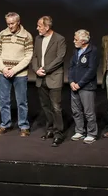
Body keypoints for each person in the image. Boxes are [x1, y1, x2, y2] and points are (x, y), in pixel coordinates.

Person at [0, 12, 34, 137]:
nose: (10, 26)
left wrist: (14, 70)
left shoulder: (26, 36)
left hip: (20, 74)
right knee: (3, 100)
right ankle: (5, 124)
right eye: (8, 24)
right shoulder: (2, 34)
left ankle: (24, 126)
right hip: (3, 72)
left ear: (18, 22)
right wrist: (4, 68)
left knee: (21, 101)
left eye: (12, 23)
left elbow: (28, 56)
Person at [32, 16, 67, 146]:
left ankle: (59, 133)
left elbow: (60, 58)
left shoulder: (59, 39)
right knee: (45, 106)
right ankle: (50, 129)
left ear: (47, 27)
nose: (37, 28)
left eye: (39, 26)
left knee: (56, 107)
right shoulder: (38, 39)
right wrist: (36, 70)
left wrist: (45, 69)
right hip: (41, 78)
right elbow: (35, 57)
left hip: (54, 77)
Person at [68, 29, 99, 144]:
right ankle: (80, 131)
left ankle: (92, 133)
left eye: (76, 39)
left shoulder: (92, 51)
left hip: (86, 87)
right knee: (76, 110)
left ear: (83, 41)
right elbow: (71, 67)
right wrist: (71, 81)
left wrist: (80, 84)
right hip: (74, 86)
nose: (74, 41)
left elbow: (91, 70)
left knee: (89, 112)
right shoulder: (76, 51)